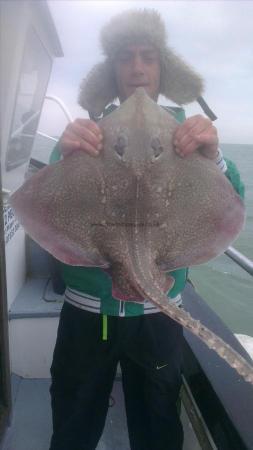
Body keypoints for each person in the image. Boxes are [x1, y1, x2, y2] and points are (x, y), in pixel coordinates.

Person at [49, 9, 244, 450]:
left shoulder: (187, 137)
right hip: (88, 312)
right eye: (125, 57)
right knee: (73, 423)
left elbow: (231, 206)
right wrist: (66, 158)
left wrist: (213, 159)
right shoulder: (91, 134)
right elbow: (47, 205)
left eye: (148, 57)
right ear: (110, 71)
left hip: (158, 318)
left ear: (163, 68)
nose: (137, 68)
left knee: (157, 427)